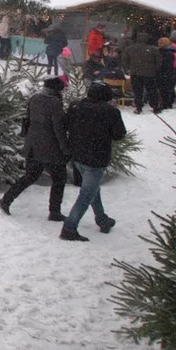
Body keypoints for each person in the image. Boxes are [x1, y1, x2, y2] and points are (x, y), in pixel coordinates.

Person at [59, 82, 126, 241]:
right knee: (86, 194)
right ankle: (69, 227)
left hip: (77, 154)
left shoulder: (76, 106)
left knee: (92, 188)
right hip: (96, 157)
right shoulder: (110, 111)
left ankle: (102, 220)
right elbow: (119, 134)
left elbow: (66, 124)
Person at [0, 77, 69, 220]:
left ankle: (6, 199)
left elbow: (29, 119)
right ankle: (54, 211)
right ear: (57, 89)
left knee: (30, 176)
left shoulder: (35, 98)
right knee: (59, 178)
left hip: (33, 145)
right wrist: (65, 148)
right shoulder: (55, 102)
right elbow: (58, 128)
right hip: (50, 147)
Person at [120, 32, 161, 114]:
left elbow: (124, 60)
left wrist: (127, 69)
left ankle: (138, 107)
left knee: (137, 91)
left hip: (135, 73)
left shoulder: (130, 48)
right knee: (151, 90)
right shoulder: (154, 49)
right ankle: (155, 106)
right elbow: (159, 62)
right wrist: (156, 70)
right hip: (150, 74)